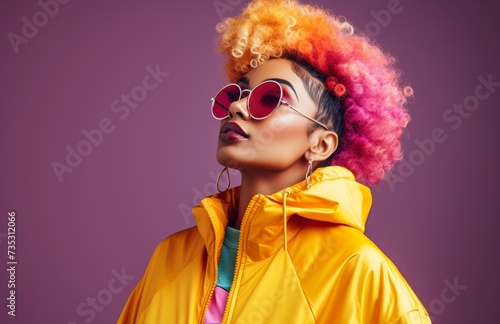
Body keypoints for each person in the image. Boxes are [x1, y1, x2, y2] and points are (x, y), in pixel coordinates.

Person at [118, 0, 431, 322]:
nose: (238, 108)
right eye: (235, 96)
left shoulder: (357, 267)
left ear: (320, 144)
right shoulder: (171, 256)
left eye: (270, 99)